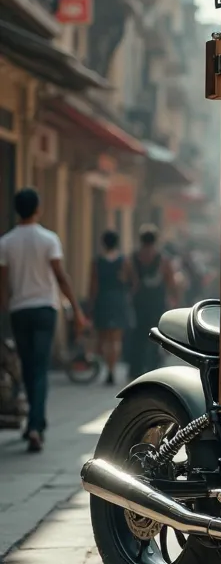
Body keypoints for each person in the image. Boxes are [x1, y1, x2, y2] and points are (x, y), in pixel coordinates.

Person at [0, 188, 87, 452]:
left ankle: (33, 423)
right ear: (37, 208)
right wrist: (77, 310)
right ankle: (36, 425)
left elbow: (2, 284)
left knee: (27, 367)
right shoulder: (49, 239)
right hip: (45, 311)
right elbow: (60, 276)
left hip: (20, 311)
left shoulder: (6, 242)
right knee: (39, 369)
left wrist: (7, 310)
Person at [129, 225, 177, 380]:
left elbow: (129, 280)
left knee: (138, 336)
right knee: (156, 336)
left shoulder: (134, 258)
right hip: (157, 303)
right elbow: (171, 282)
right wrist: (173, 300)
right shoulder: (163, 259)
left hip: (138, 302)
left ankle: (135, 369)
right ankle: (153, 369)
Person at [89, 230, 134, 386]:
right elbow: (133, 281)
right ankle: (111, 369)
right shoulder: (123, 261)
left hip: (103, 300)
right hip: (118, 300)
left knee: (103, 337)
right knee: (116, 339)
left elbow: (93, 285)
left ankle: (106, 366)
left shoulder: (97, 261)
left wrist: (91, 303)